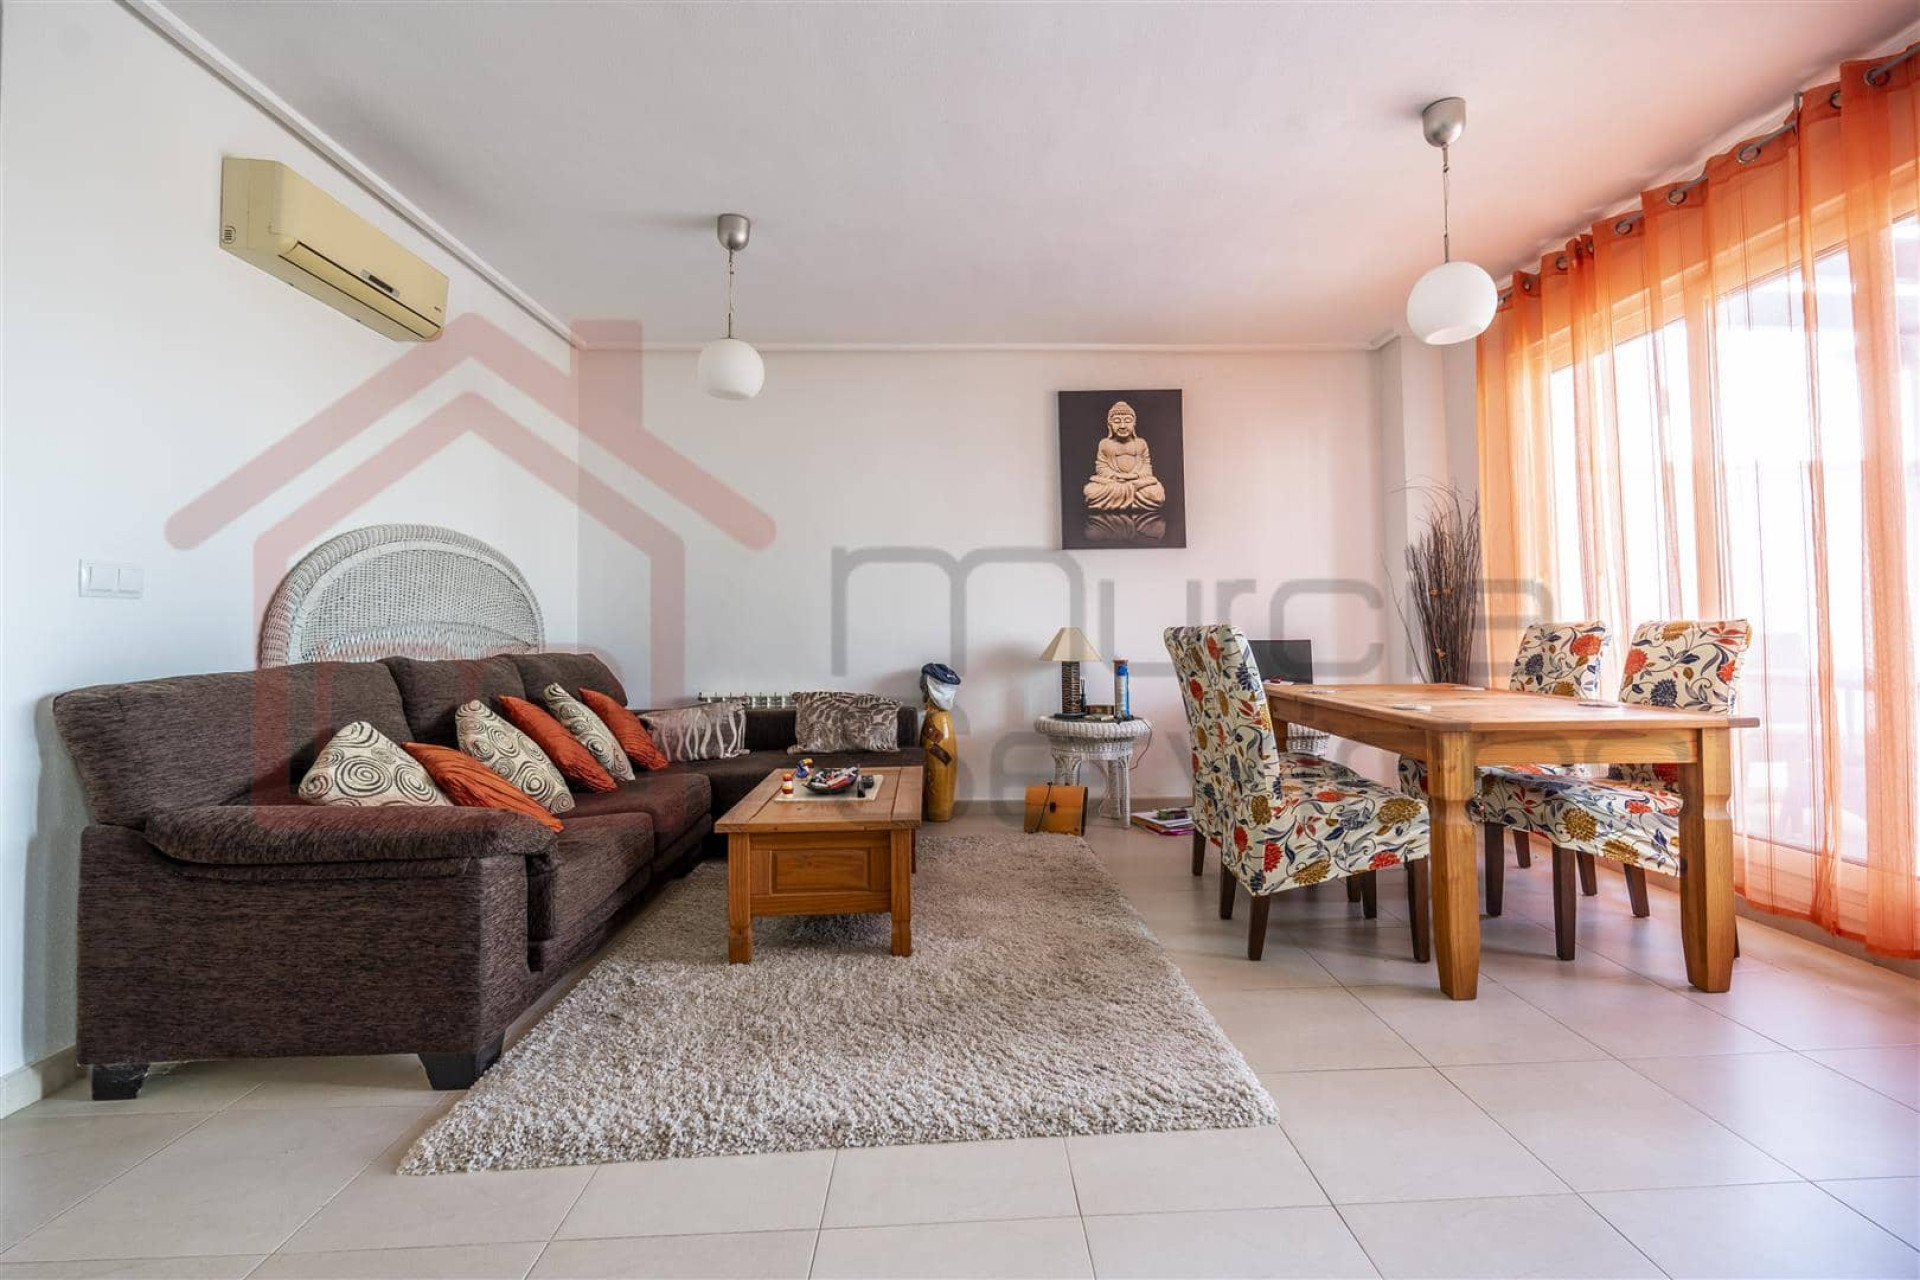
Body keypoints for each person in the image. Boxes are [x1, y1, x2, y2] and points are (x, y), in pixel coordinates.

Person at [1082, 400, 1166, 511]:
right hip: (1114, 482)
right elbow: (1101, 468)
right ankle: (1133, 502)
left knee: (1157, 493)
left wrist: (1133, 477)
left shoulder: (1141, 443)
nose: (1122, 426)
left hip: (1136, 481)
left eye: (1127, 421)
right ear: (1109, 425)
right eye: (1117, 421)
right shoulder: (1104, 444)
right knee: (1090, 492)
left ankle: (1118, 501)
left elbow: (1147, 467)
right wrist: (1117, 476)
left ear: (1134, 424)